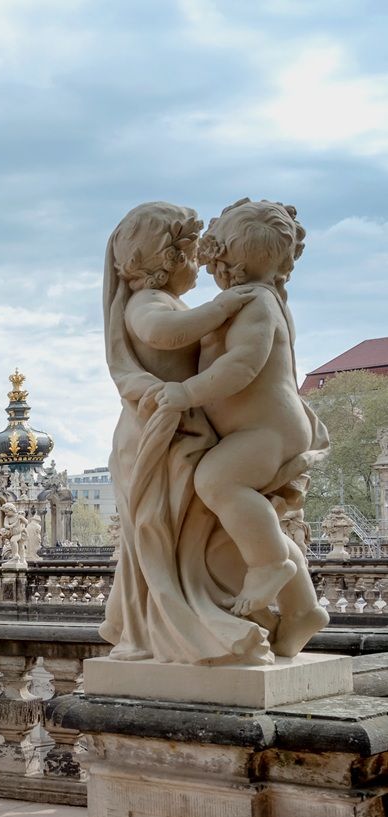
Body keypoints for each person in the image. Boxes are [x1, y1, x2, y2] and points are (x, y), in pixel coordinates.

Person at [150, 198, 328, 652]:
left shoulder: (256, 303)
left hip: (266, 431)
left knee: (216, 480)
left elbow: (242, 365)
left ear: (226, 261)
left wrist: (187, 392)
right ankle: (303, 609)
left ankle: (268, 566)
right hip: (267, 429)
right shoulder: (261, 299)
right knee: (259, 522)